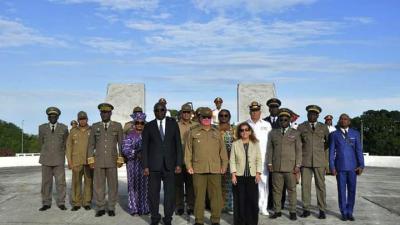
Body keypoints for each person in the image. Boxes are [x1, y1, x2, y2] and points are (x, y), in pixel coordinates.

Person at [185, 107, 228, 225]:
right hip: (198, 169)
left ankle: (215, 220)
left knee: (216, 197)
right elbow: (188, 150)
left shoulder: (217, 132)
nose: (206, 119)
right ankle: (199, 220)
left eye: (208, 117)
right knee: (199, 197)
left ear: (211, 118)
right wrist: (188, 165)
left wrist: (224, 165)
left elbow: (222, 151)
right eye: (204, 117)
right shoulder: (193, 132)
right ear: (200, 118)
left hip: (215, 169)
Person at [142, 102, 183, 225]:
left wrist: (178, 164)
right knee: (153, 194)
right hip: (153, 166)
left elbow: (178, 145)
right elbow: (144, 147)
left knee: (169, 194)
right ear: (154, 112)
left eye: (162, 110)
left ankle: (168, 218)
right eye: (157, 110)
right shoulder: (149, 126)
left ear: (165, 111)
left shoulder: (173, 124)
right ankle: (155, 217)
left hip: (170, 166)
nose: (159, 112)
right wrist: (145, 166)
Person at [87, 103, 124, 217]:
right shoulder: (95, 126)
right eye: (103, 112)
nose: (105, 114)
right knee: (99, 185)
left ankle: (111, 207)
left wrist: (120, 158)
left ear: (110, 113)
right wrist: (90, 159)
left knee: (113, 185)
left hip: (112, 160)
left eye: (107, 112)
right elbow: (91, 144)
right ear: (100, 113)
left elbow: (121, 143)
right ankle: (100, 207)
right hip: (98, 161)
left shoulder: (117, 126)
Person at [267, 108, 302, 221]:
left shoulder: (295, 133)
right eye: (281, 119)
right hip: (276, 167)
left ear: (289, 121)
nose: (283, 121)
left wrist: (298, 165)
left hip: (290, 168)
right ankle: (277, 211)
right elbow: (270, 149)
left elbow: (299, 150)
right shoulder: (273, 133)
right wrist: (270, 163)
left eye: (285, 120)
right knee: (276, 190)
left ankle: (292, 211)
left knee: (291, 190)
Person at [329, 113, 365, 221]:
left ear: (349, 121)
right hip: (340, 168)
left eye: (345, 119)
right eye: (341, 119)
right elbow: (331, 153)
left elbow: (359, 151)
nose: (343, 121)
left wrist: (361, 165)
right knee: (341, 191)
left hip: (353, 168)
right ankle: (343, 212)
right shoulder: (334, 135)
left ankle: (350, 212)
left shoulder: (355, 133)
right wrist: (332, 166)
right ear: (339, 121)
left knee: (352, 191)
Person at [297, 105, 329, 219]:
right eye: (310, 114)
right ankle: (306, 209)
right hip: (305, 162)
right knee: (305, 186)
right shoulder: (301, 127)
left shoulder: (324, 127)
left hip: (319, 161)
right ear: (307, 115)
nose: (312, 116)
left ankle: (322, 210)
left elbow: (327, 144)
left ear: (318, 116)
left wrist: (326, 162)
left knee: (320, 186)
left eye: (314, 114)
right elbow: (298, 144)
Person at [230, 122, 262, 225]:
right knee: (240, 201)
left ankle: (251, 222)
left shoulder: (255, 143)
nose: (244, 132)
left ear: (250, 131)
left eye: (246, 130)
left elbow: (258, 159)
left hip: (252, 177)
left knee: (252, 201)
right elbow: (232, 160)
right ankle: (240, 222)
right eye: (242, 130)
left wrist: (258, 173)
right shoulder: (235, 144)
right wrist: (233, 174)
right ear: (239, 132)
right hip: (239, 177)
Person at [38, 107, 69, 211]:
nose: (52, 118)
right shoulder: (42, 128)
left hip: (59, 159)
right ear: (48, 117)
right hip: (46, 159)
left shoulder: (64, 128)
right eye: (50, 116)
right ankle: (46, 203)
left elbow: (66, 143)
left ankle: (61, 202)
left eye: (54, 116)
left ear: (58, 117)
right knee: (46, 183)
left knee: (60, 182)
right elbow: (41, 142)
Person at [246, 101, 272, 216]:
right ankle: (252, 207)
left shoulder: (267, 125)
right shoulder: (244, 125)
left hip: (263, 159)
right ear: (250, 112)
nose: (254, 113)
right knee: (250, 185)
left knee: (263, 184)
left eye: (256, 111)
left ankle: (263, 207)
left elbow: (271, 144)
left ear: (260, 112)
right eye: (252, 111)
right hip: (248, 160)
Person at [121, 111, 149, 215]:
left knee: (144, 187)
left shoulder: (147, 134)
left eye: (142, 123)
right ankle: (133, 208)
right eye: (137, 122)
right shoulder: (130, 135)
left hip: (145, 165)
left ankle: (144, 207)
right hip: (132, 165)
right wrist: (136, 153)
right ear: (134, 123)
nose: (139, 125)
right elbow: (125, 149)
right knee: (133, 186)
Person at [66, 111, 93, 211]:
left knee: (88, 182)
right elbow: (68, 146)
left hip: (88, 161)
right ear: (78, 120)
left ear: (87, 119)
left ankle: (87, 202)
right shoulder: (73, 131)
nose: (82, 121)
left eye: (84, 119)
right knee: (76, 183)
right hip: (76, 161)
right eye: (80, 119)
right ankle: (76, 203)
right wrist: (69, 161)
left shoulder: (92, 130)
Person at [263, 98, 286, 210]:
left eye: (276, 107)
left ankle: (281, 203)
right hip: (267, 153)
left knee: (281, 182)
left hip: (280, 155)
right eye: (271, 107)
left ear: (278, 108)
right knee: (269, 181)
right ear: (269, 109)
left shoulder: (284, 121)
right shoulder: (264, 121)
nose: (273, 109)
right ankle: (270, 202)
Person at [175, 103, 198, 215]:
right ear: (181, 113)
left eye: (188, 112)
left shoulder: (196, 125)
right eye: (184, 112)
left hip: (192, 161)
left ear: (191, 113)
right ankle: (179, 206)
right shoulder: (175, 125)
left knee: (191, 185)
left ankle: (191, 206)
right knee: (178, 185)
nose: (186, 114)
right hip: (179, 160)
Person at [217, 109, 236, 215]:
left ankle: (229, 206)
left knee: (229, 184)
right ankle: (218, 206)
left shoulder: (234, 130)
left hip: (230, 162)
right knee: (217, 185)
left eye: (226, 115)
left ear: (229, 117)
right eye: (221, 115)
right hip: (217, 162)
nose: (224, 117)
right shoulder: (214, 129)